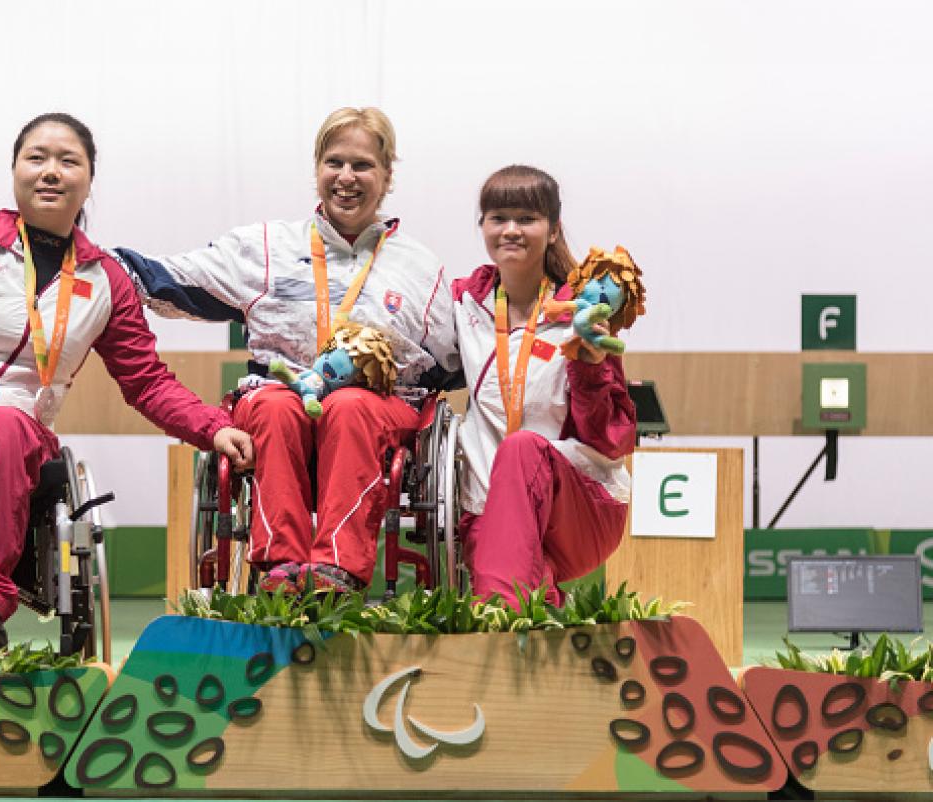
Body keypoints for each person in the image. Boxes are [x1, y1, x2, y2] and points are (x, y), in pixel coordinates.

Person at [0, 112, 254, 649]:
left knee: (5, 427)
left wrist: (212, 427)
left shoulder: (106, 281)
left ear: (89, 181)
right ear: (15, 171)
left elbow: (145, 382)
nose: (51, 172)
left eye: (68, 161)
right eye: (37, 158)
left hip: (16, 419)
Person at [116, 107, 458, 593]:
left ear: (386, 176)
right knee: (276, 404)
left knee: (350, 404)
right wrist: (93, 264)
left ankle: (336, 568)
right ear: (317, 168)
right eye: (334, 162)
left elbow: (452, 359)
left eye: (362, 165)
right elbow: (169, 278)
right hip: (281, 399)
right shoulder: (265, 248)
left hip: (374, 412)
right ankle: (280, 567)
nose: (346, 177)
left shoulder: (421, 269)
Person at [451, 165, 636, 608]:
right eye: (498, 218)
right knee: (523, 582)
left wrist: (591, 371)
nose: (510, 230)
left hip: (578, 504)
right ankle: (529, 620)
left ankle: (499, 625)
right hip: (490, 508)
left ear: (553, 230)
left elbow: (612, 441)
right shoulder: (463, 303)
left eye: (526, 218)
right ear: (483, 227)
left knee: (521, 447)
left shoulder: (582, 315)